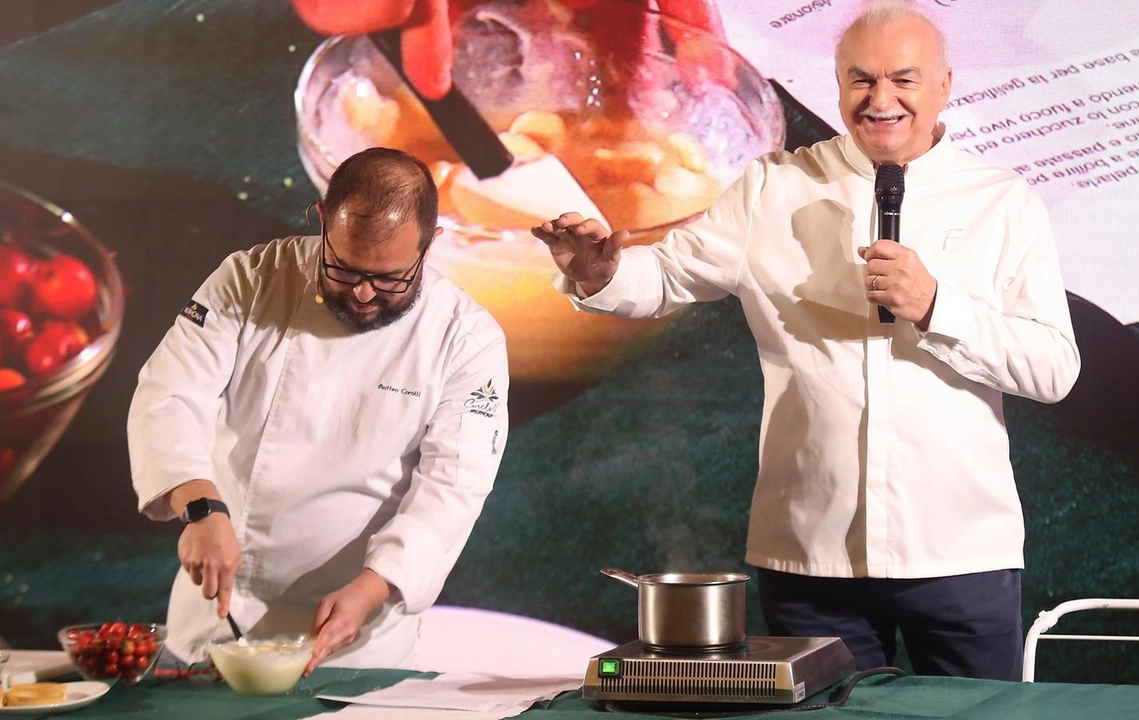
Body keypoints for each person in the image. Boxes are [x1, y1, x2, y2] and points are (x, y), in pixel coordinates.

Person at [532, 0, 1080, 680]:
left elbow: (1054, 368)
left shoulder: (1001, 201)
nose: (881, 100)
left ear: (944, 84)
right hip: (810, 554)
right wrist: (599, 271)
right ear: (837, 84)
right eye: (860, 80)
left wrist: (937, 306)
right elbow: (667, 276)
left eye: (903, 80)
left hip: (959, 550)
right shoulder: (773, 188)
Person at [127, 147, 509, 675]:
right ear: (322, 218)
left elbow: (454, 484)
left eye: (392, 277)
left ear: (431, 242)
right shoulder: (251, 278)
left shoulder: (466, 337)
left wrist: (374, 587)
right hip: (218, 608)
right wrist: (198, 506)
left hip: (358, 632)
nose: (364, 293)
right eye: (344, 268)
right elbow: (169, 393)